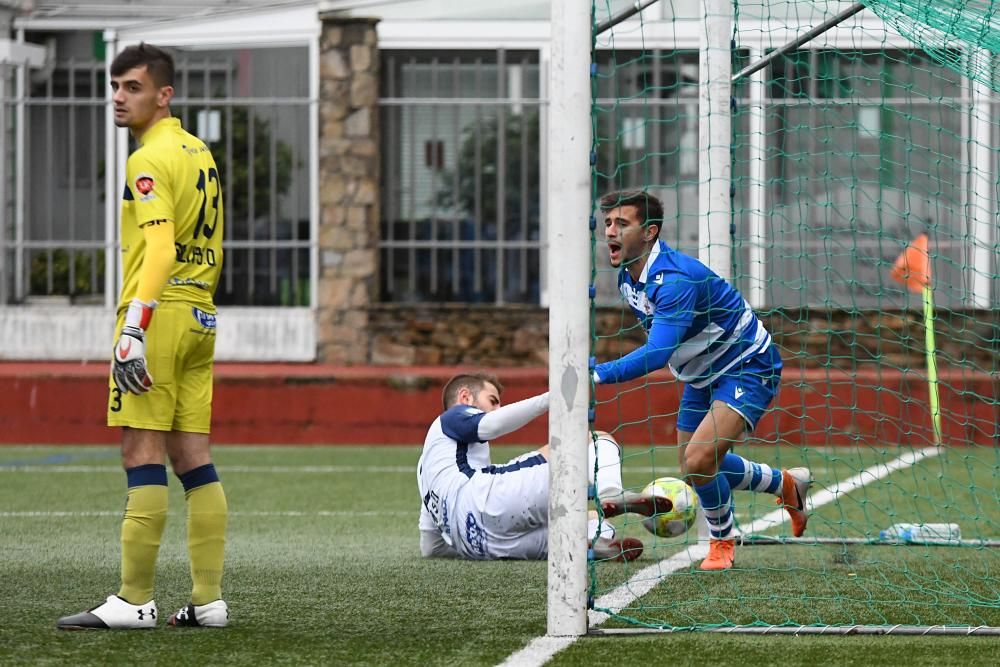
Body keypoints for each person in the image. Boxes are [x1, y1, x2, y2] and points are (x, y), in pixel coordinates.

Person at [58, 43, 228, 629]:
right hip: (200, 315)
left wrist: (135, 324)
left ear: (164, 94)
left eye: (132, 87)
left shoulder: (147, 158)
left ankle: (134, 601)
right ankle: (208, 602)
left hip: (157, 319)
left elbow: (160, 247)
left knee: (140, 453)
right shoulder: (199, 151)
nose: (118, 97)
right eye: (115, 86)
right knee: (194, 459)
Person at [593, 189, 812, 571]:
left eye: (622, 224)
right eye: (608, 223)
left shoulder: (675, 279)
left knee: (698, 459)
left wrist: (597, 373)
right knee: (694, 468)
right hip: (700, 376)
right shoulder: (628, 278)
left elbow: (658, 353)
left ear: (649, 232)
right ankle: (785, 485)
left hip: (747, 364)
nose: (611, 231)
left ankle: (722, 542)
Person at [417, 372, 670, 561]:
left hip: (479, 546)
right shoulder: (451, 417)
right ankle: (610, 491)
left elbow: (431, 547)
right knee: (591, 439)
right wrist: (553, 398)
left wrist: (469, 537)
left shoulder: (426, 469)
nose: (498, 408)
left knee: (595, 524)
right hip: (484, 499)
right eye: (493, 400)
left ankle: (593, 545)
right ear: (465, 397)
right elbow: (491, 425)